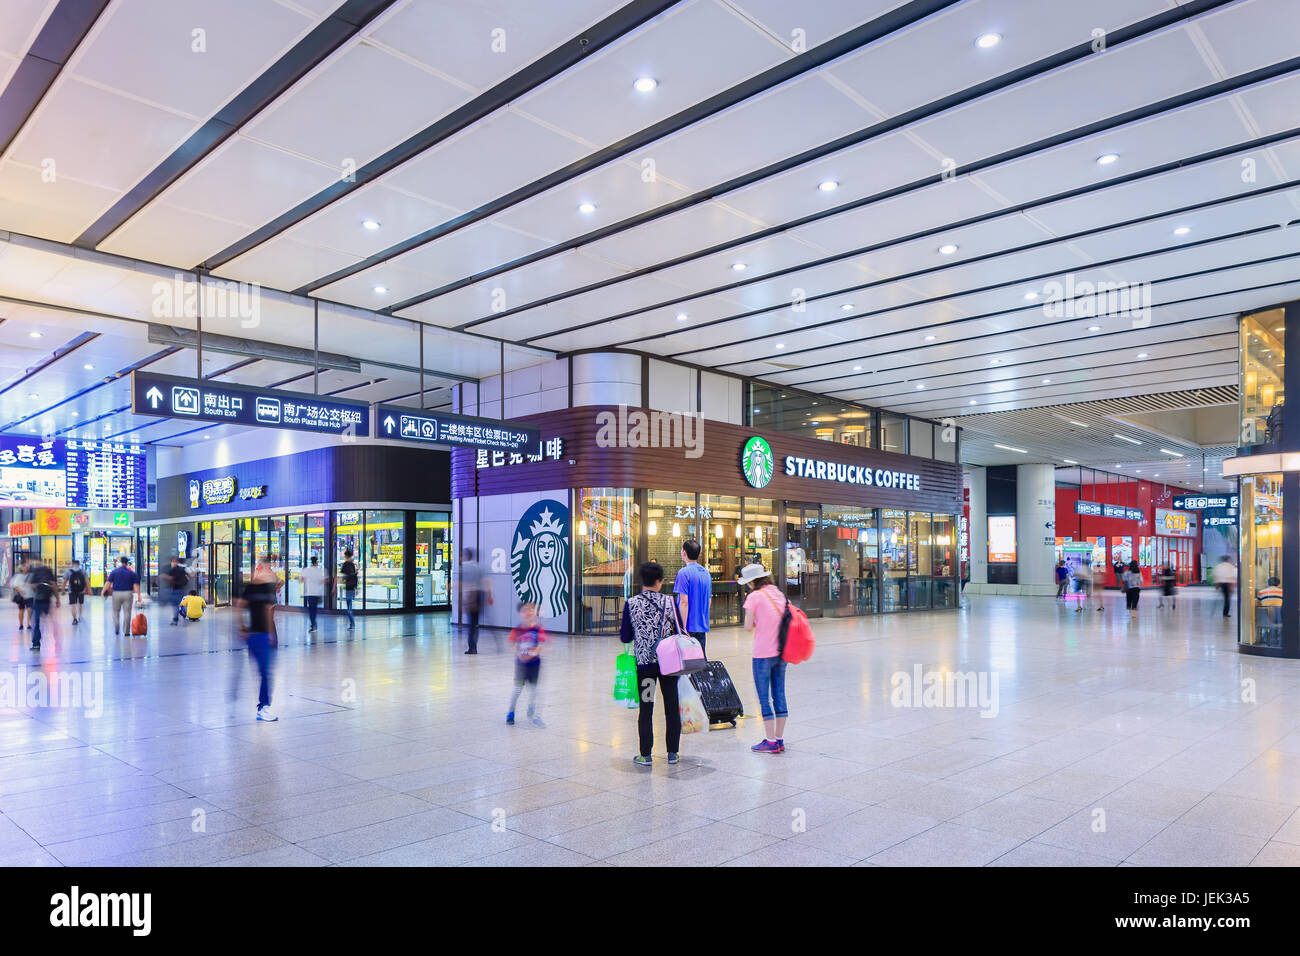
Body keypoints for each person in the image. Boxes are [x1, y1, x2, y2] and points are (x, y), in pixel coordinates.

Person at [620, 561, 683, 767]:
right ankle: (672, 753)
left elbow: (625, 636)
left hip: (645, 666)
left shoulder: (631, 603)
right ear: (659, 582)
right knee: (671, 707)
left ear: (642, 581)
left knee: (646, 709)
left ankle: (645, 754)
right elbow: (679, 631)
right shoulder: (670, 602)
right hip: (669, 666)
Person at [739, 563, 789, 754]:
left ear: (751, 582)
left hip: (762, 653)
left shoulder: (754, 597)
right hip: (782, 651)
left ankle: (769, 740)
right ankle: (779, 739)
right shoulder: (777, 592)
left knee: (764, 697)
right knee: (779, 695)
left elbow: (748, 626)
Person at [236, 556, 279, 721]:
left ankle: (263, 706)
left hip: (254, 635)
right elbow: (268, 613)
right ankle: (263, 707)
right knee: (266, 673)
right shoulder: (263, 589)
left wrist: (242, 628)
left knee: (264, 672)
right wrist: (270, 634)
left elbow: (239, 607)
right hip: (259, 635)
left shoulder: (251, 588)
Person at [506, 601, 548, 727]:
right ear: (520, 613)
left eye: (531, 609)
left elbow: (541, 645)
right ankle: (511, 712)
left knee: (536, 690)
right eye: (525, 610)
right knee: (517, 690)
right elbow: (511, 644)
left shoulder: (538, 629)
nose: (528, 612)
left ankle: (533, 711)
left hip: (534, 665)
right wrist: (519, 654)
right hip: (521, 665)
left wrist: (534, 653)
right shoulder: (517, 630)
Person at [673, 539, 712, 657]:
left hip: (688, 625)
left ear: (684, 552)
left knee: (687, 664)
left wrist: (682, 628)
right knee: (700, 661)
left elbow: (684, 602)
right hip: (701, 625)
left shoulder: (683, 573)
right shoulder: (706, 573)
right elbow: (709, 600)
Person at [459, 548, 493, 654]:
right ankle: (474, 646)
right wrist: (489, 595)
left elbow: (464, 584)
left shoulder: (464, 568)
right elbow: (487, 581)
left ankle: (472, 648)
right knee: (475, 623)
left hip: (472, 596)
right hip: (480, 596)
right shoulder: (479, 567)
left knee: (471, 624)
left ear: (465, 557)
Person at [27, 557, 58, 652]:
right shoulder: (48, 570)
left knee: (36, 623)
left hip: (38, 601)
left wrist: (36, 588)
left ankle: (36, 644)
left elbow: (32, 586)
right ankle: (57, 641)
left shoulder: (34, 571)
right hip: (47, 600)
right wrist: (58, 598)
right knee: (52, 621)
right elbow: (54, 585)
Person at [106, 556, 139, 636]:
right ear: (127, 563)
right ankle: (126, 631)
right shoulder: (131, 573)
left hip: (116, 593)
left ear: (120, 563)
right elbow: (136, 586)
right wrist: (139, 596)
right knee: (127, 612)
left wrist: (103, 591)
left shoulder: (114, 572)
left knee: (116, 611)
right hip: (128, 593)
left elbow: (108, 583)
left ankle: (117, 626)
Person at [298, 556, 326, 632]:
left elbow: (301, 580)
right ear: (316, 562)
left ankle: (313, 625)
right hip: (317, 593)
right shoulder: (319, 571)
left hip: (309, 592)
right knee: (314, 609)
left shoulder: (307, 570)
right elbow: (323, 581)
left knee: (311, 610)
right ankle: (314, 624)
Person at [164, 557, 189, 625]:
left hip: (176, 589)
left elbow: (171, 578)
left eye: (174, 561)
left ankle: (176, 619)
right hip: (182, 588)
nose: (173, 563)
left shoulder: (174, 569)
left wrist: (163, 576)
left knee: (176, 605)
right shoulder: (183, 569)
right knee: (181, 604)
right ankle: (184, 616)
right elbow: (189, 576)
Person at [339, 549, 358, 630]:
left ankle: (352, 624)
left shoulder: (345, 564)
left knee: (348, 608)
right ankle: (351, 623)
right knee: (349, 606)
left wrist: (342, 580)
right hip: (353, 587)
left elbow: (342, 576)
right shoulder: (353, 565)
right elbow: (355, 575)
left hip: (348, 588)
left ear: (346, 556)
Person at [10, 558, 31, 631]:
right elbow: (15, 586)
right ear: (22, 568)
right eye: (24, 566)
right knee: (21, 610)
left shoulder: (30, 575)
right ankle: (21, 624)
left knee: (29, 610)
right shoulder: (18, 576)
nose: (26, 568)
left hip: (29, 596)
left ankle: (29, 624)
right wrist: (21, 591)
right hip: (21, 596)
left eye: (27, 566)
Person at [64, 559, 87, 625]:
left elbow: (65, 581)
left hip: (71, 590)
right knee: (80, 604)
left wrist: (63, 589)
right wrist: (90, 589)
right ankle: (80, 616)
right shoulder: (83, 571)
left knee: (73, 605)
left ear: (72, 564)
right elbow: (86, 581)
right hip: (81, 590)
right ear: (79, 564)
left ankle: (74, 619)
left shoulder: (68, 571)